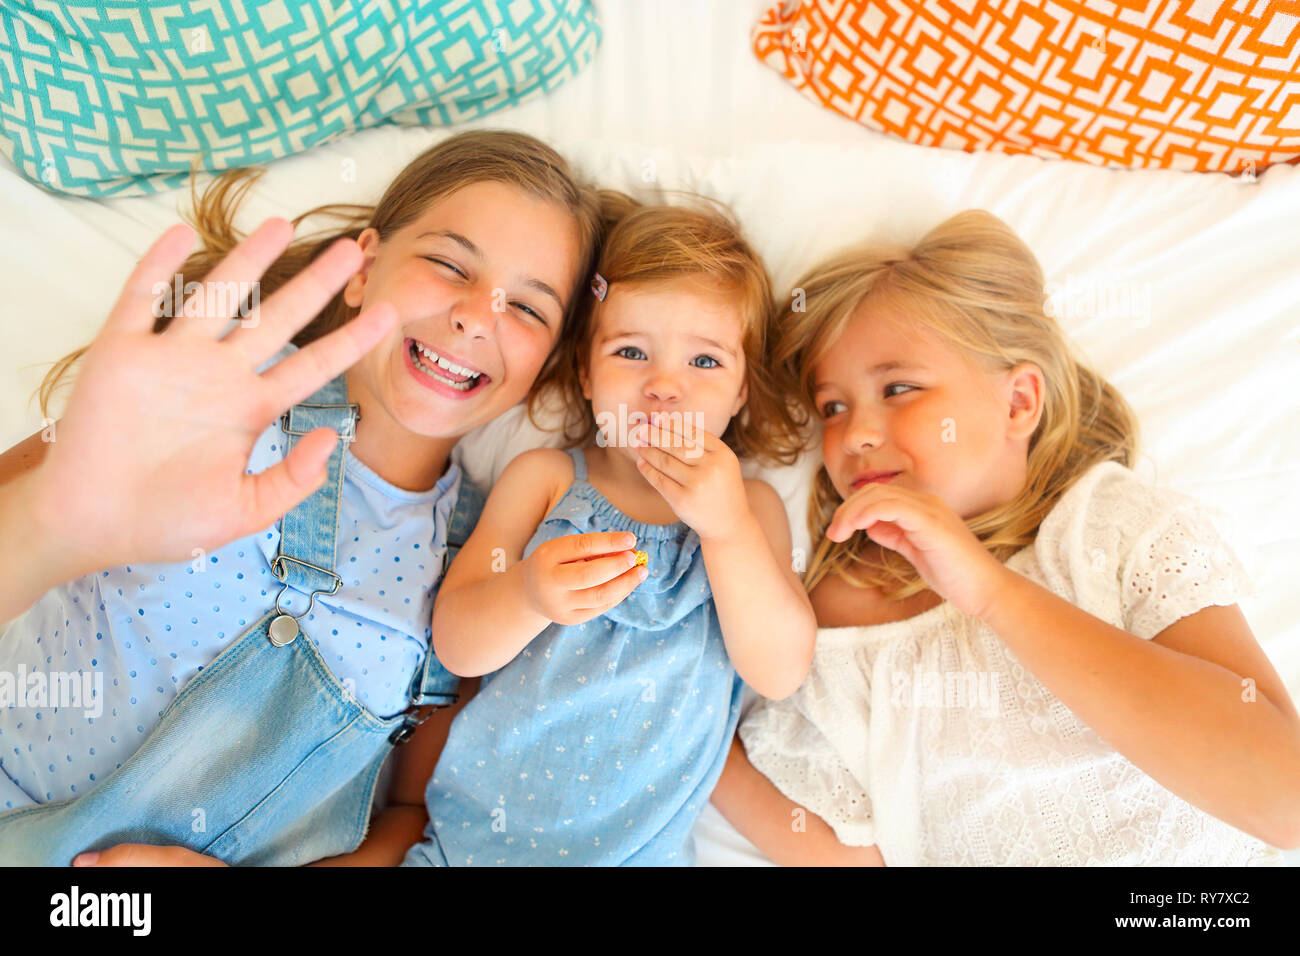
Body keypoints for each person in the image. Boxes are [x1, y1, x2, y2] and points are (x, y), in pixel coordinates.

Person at [0, 130, 606, 866]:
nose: (478, 316)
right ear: (364, 269)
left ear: (547, 368)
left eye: (529, 309)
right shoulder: (216, 384)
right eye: (449, 264)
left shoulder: (481, 562)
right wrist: (62, 520)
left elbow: (413, 813)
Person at [710, 209, 1300, 865]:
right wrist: (694, 747)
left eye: (899, 388)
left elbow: (1284, 801)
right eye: (833, 407)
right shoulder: (841, 621)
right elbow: (851, 853)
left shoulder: (1102, 533)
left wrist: (991, 592)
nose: (855, 435)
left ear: (1019, 402)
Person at [392, 193, 817, 865]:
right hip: (477, 844)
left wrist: (728, 531)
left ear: (740, 393)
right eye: (630, 352)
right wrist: (527, 594)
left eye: (704, 363)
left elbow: (780, 671)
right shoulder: (547, 480)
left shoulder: (750, 509)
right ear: (586, 374)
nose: (665, 387)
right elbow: (456, 644)